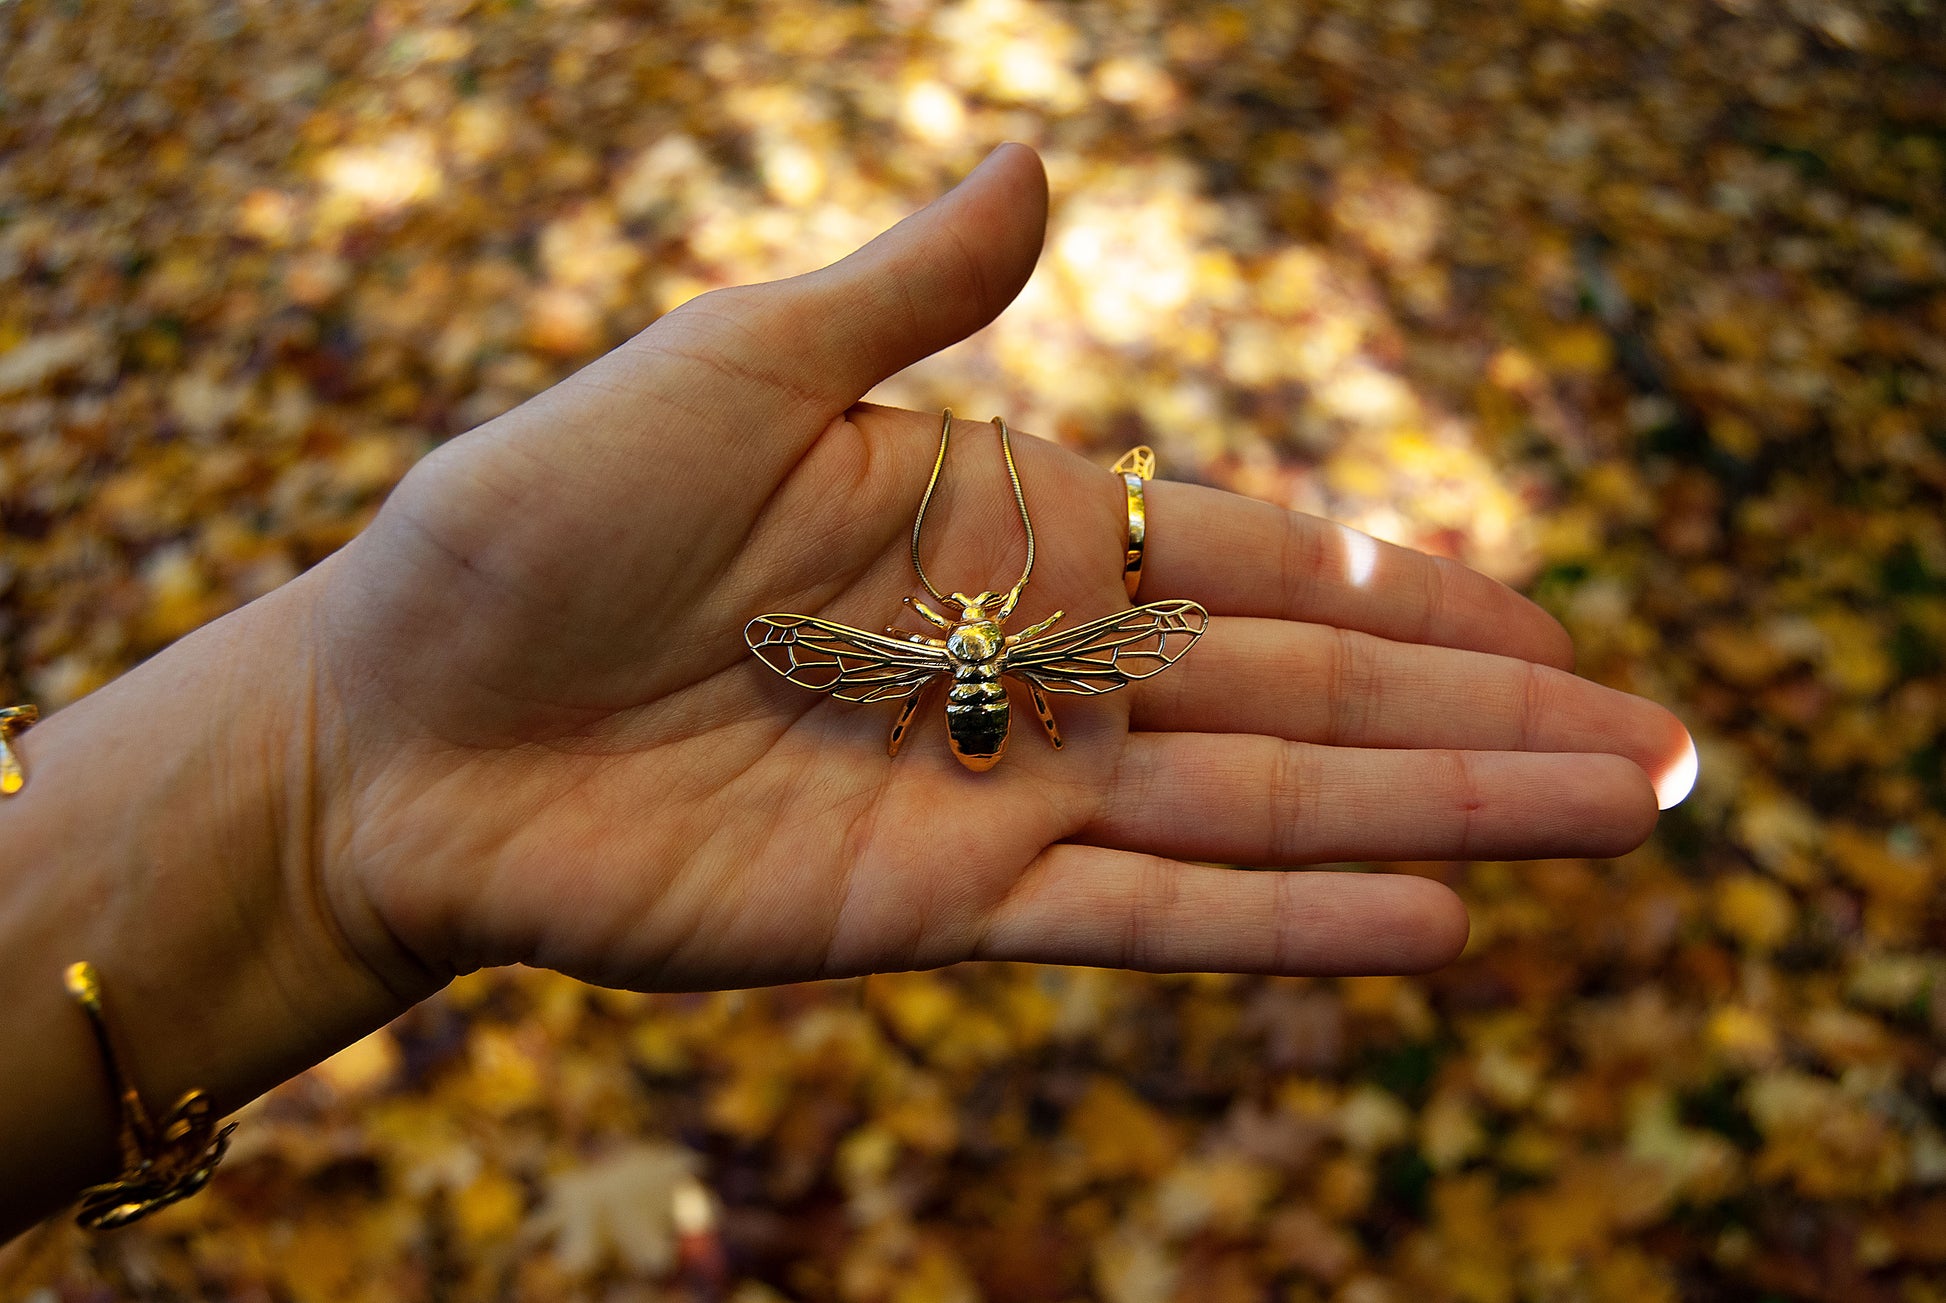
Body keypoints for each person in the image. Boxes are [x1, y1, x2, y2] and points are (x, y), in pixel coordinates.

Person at [0, 143, 1693, 1238]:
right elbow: (1008, 660)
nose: (963, 647)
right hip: (972, 718)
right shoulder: (996, 662)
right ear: (965, 661)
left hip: (952, 722)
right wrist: (319, 790)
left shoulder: (922, 667)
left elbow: (936, 667)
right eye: (961, 651)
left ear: (963, 658)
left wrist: (314, 798)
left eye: (971, 650)